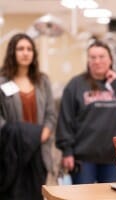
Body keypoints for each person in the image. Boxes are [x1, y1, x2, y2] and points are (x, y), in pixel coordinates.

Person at [56, 40, 116, 184]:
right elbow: (65, 120)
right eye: (93, 57)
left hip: (111, 158)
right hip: (83, 158)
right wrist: (67, 151)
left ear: (110, 59)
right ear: (88, 61)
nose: (97, 61)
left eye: (102, 57)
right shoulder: (75, 85)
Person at [0, 33, 57, 200]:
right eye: (20, 49)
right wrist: (16, 137)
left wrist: (42, 135)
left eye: (29, 49)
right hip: (12, 152)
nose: (25, 53)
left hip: (38, 151)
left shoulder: (42, 81)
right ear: (12, 52)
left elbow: (51, 114)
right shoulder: (2, 82)